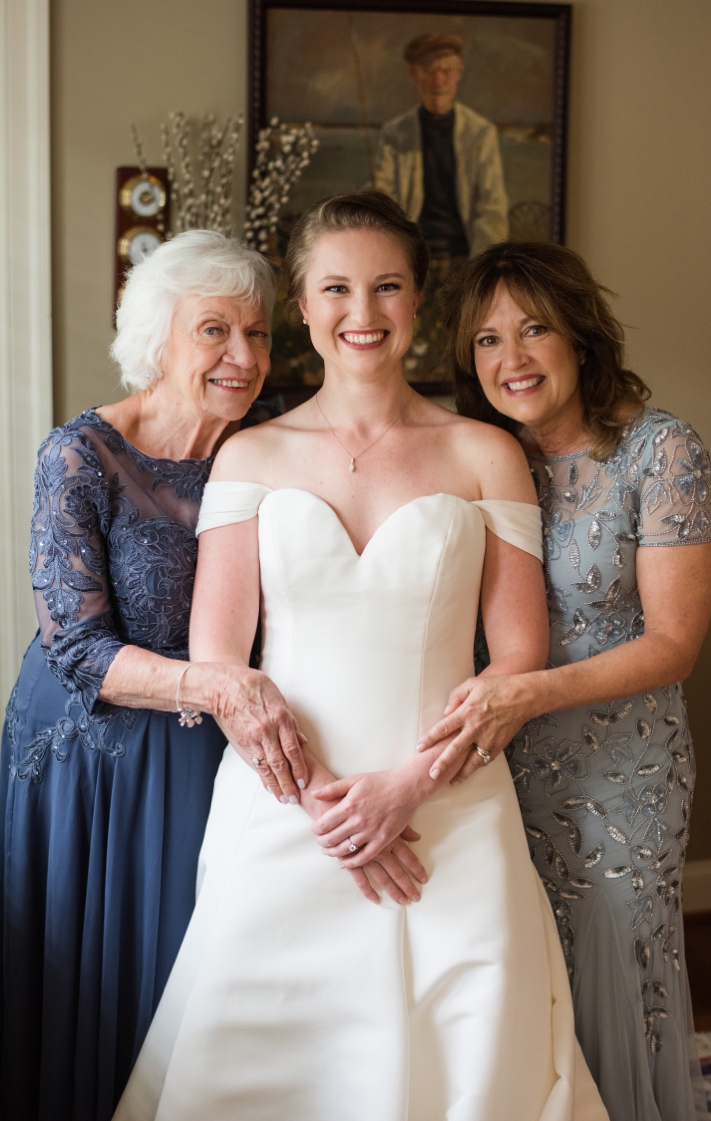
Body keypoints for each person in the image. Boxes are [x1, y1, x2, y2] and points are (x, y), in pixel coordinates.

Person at [114, 194, 605, 1120]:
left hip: (450, 807)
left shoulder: (485, 453)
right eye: (336, 288)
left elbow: (519, 653)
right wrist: (327, 805)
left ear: (420, 300)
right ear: (302, 305)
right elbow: (220, 657)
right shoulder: (251, 455)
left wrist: (405, 789)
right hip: (286, 802)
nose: (363, 313)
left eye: (387, 287)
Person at [0, 231, 313, 1121]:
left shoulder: (270, 450)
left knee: (183, 972)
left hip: (205, 757)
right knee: (83, 980)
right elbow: (76, 646)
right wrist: (215, 686)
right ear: (159, 339)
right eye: (214, 331)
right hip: (84, 758)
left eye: (256, 334)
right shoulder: (79, 455)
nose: (243, 357)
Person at [410, 240, 711, 1121]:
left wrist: (529, 692)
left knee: (619, 961)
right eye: (486, 340)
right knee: (518, 967)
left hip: (623, 771)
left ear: (579, 337)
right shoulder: (472, 459)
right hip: (496, 764)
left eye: (533, 329)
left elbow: (673, 644)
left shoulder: (659, 453)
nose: (511, 359)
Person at [372, 32, 509, 259]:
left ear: (459, 72)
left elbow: (492, 207)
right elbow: (384, 192)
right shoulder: (394, 133)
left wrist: (482, 265)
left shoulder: (481, 133)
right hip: (412, 257)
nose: (438, 81)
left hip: (467, 257)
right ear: (414, 74)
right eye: (429, 71)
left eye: (446, 71)